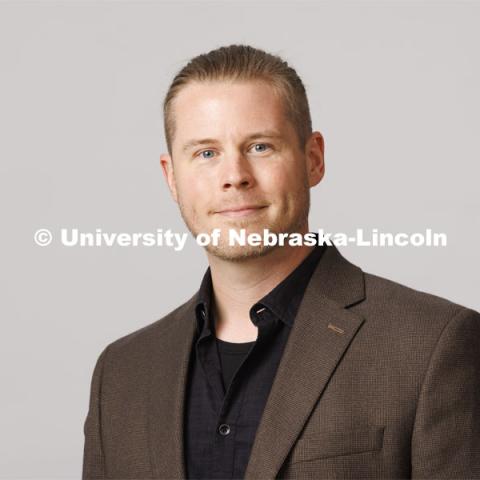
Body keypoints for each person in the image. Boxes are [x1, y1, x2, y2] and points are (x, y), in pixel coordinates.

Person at [82, 44, 480, 479]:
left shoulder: (432, 346)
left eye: (260, 146)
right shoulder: (120, 375)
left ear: (313, 159)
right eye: (206, 153)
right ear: (172, 178)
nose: (234, 175)